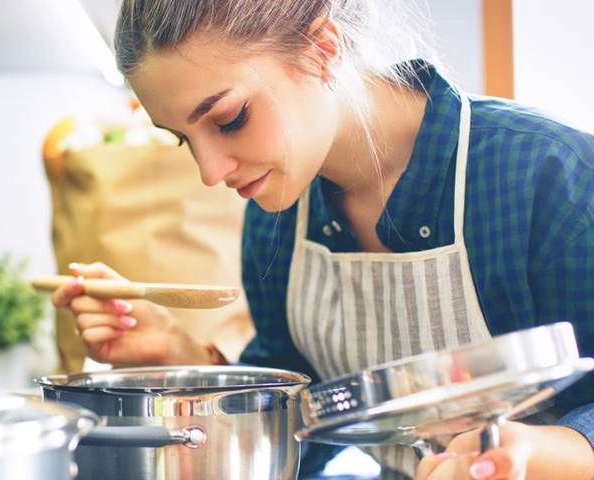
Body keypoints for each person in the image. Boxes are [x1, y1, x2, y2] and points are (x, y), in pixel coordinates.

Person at [51, 1, 594, 478]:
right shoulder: (277, 217)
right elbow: (304, 434)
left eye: (230, 118)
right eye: (183, 139)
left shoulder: (545, 173)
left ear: (321, 49)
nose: (211, 172)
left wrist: (548, 453)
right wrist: (180, 355)